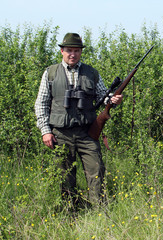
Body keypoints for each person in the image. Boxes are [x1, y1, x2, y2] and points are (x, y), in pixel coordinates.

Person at [35, 33, 123, 208]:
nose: (72, 54)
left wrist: (112, 100)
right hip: (61, 133)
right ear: (62, 51)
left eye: (76, 51)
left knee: (96, 170)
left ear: (81, 52)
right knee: (65, 176)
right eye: (69, 50)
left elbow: (103, 96)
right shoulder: (50, 73)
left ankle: (99, 212)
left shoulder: (91, 73)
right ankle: (70, 211)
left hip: (87, 132)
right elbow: (41, 103)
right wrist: (45, 131)